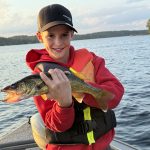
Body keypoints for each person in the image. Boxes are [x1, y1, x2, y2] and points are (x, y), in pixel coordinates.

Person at [26, 4, 124, 150]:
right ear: (40, 37)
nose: (58, 42)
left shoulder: (92, 61)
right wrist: (63, 104)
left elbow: (115, 96)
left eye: (64, 35)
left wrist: (84, 91)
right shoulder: (39, 78)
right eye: (50, 36)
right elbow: (57, 126)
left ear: (72, 34)